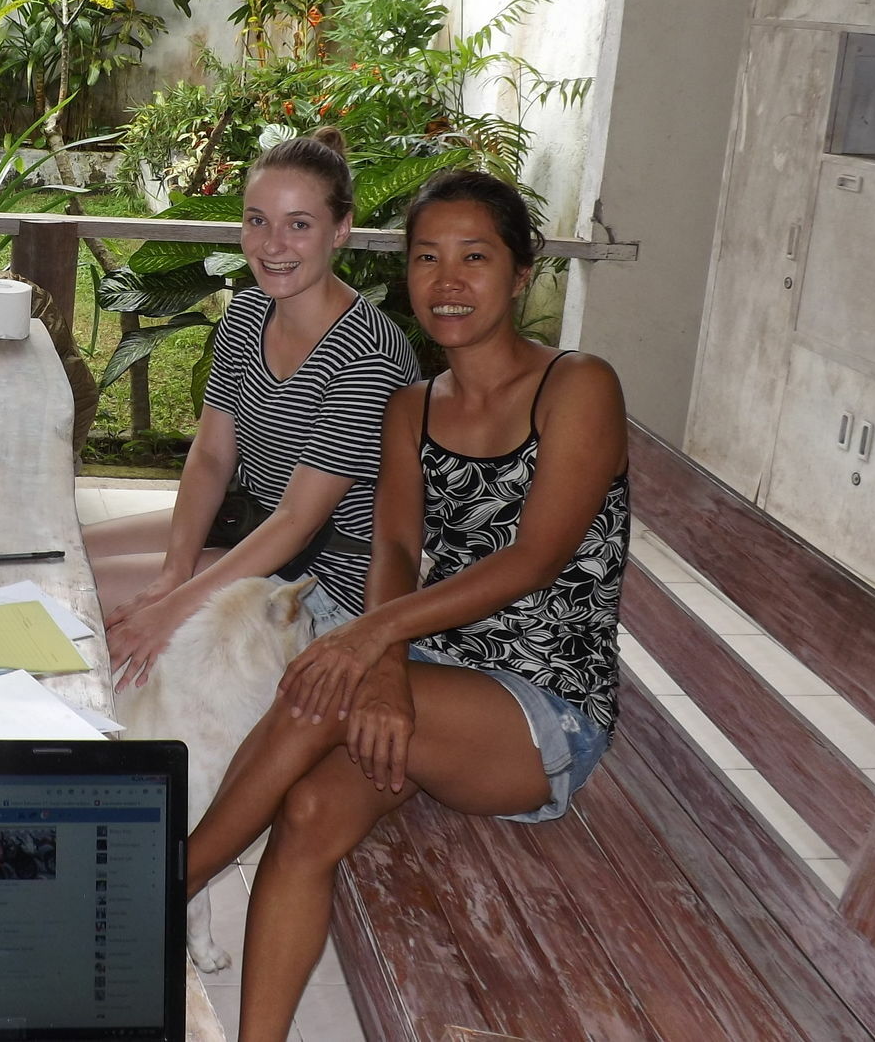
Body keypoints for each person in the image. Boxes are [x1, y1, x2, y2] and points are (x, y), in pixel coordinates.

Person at [183, 169, 630, 1042]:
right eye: (428, 258)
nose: (448, 282)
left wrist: (373, 642)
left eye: (475, 257)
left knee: (319, 683)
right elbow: (392, 549)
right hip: (427, 681)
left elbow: (535, 559)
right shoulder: (412, 407)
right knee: (309, 812)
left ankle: (167, 887)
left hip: (541, 711)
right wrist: (384, 662)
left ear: (521, 273)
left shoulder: (577, 387)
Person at [86, 129, 420, 690]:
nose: (271, 245)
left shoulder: (368, 355)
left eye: (298, 225)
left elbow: (299, 520)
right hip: (252, 528)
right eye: (256, 220)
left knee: (85, 598)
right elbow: (213, 454)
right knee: (63, 558)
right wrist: (173, 573)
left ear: (339, 230)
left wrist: (171, 610)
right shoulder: (247, 312)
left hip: (319, 580)